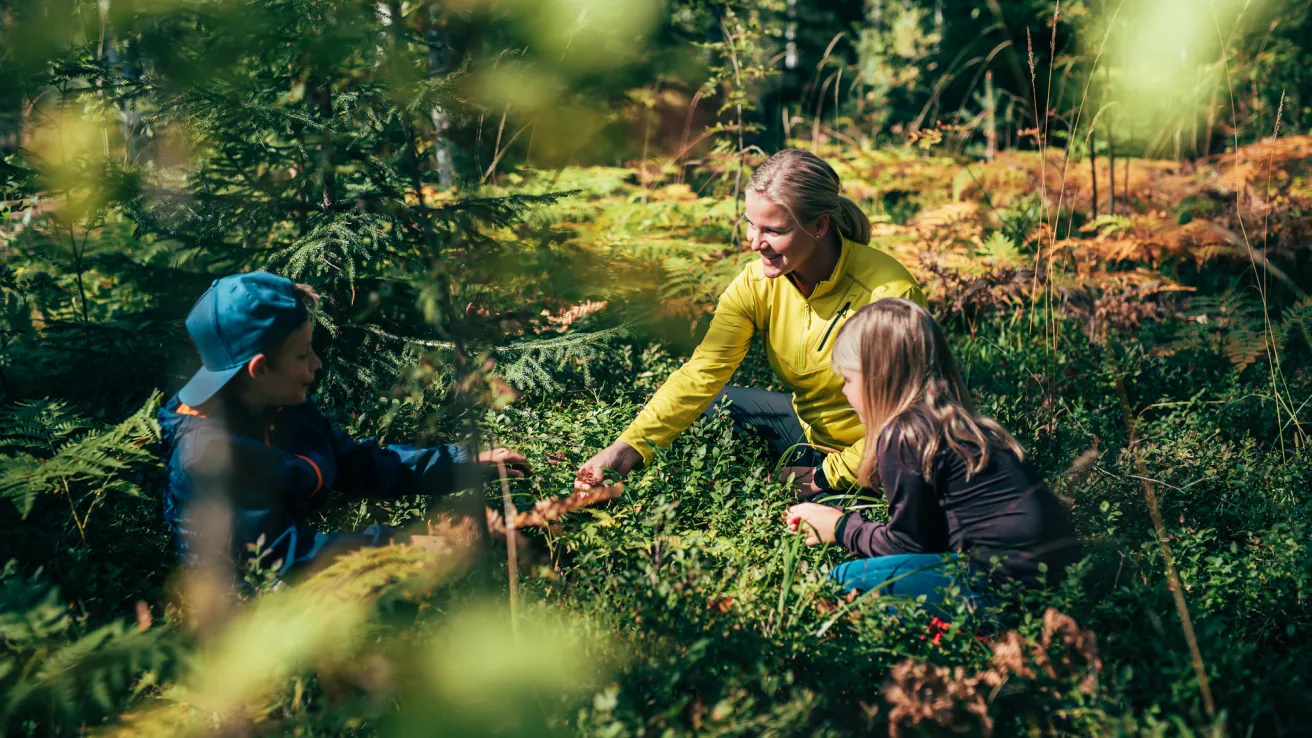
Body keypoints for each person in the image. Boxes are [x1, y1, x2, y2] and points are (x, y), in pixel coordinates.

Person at [576, 149, 926, 496]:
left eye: (773, 230)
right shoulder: (756, 283)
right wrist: (627, 448)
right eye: (750, 224)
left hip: (879, 452)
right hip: (811, 433)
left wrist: (823, 477)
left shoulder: (889, 296)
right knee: (712, 403)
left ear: (819, 225)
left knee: (818, 517)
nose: (755, 242)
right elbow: (703, 372)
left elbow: (905, 421)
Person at [158, 271, 528, 577]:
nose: (317, 364)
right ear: (259, 370)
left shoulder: (282, 403)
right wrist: (395, 548)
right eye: (302, 354)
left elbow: (356, 463)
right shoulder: (207, 458)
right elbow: (279, 557)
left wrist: (459, 463)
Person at [785, 298, 1081, 607]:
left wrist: (841, 527)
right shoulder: (960, 426)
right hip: (1058, 584)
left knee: (845, 579)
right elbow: (934, 538)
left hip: (1001, 588)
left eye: (848, 379)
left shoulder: (904, 434)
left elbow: (910, 546)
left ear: (877, 377)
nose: (844, 391)